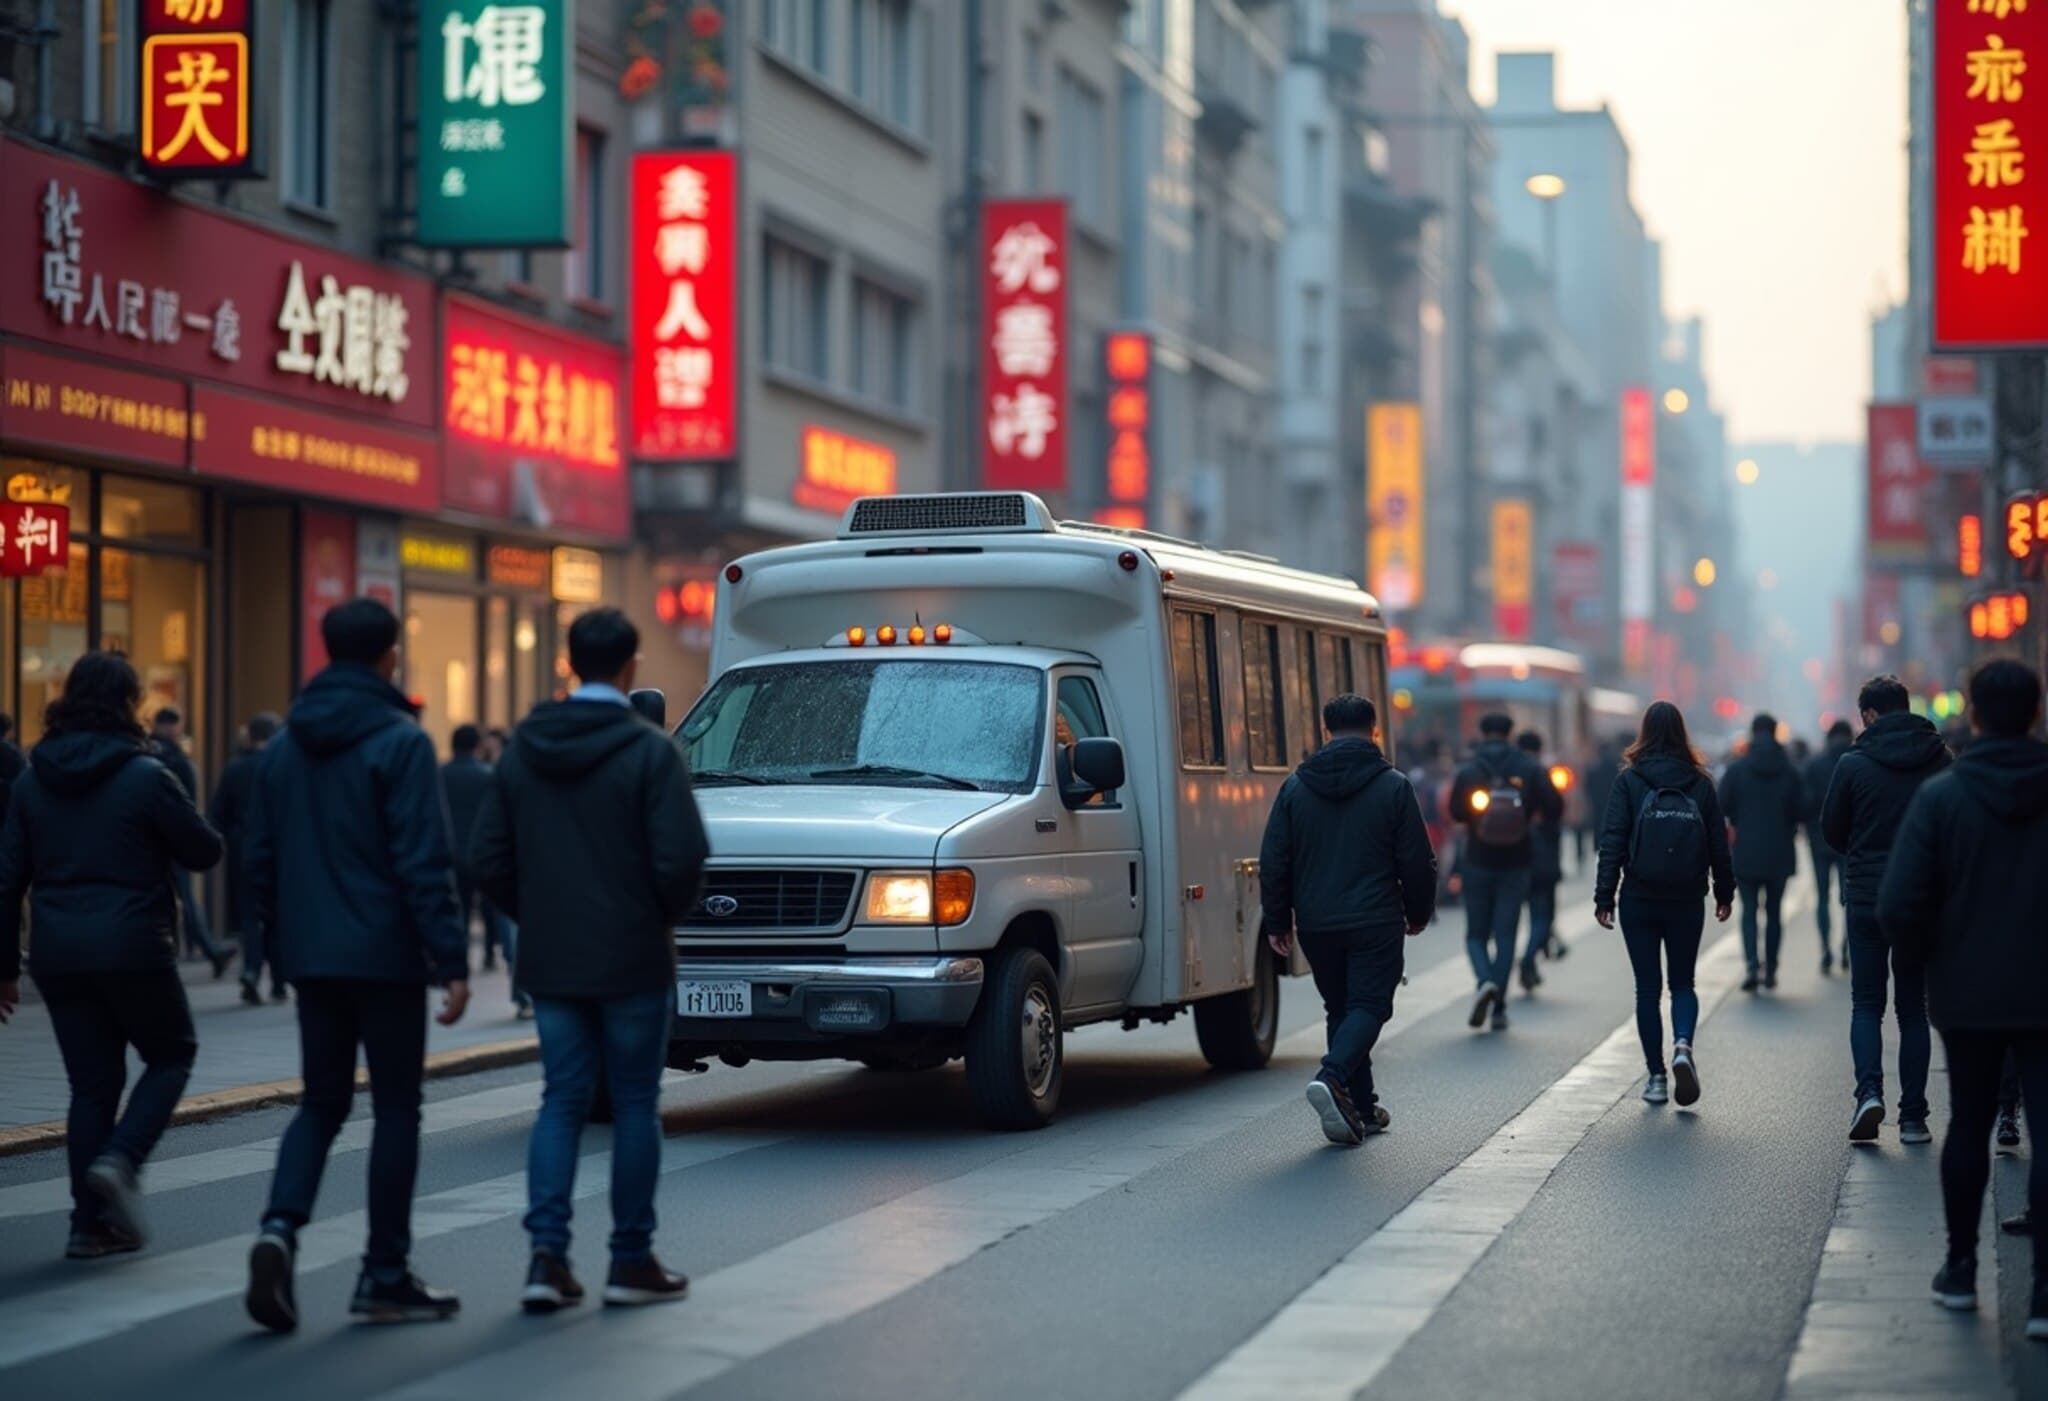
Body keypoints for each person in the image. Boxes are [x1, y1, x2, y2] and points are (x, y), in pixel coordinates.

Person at [242, 599, 470, 1333]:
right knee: (396, 1107)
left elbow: (258, 860)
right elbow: (422, 858)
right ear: (389, 657)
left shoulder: (283, 746)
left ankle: (279, 1226)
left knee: (321, 1102)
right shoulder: (399, 741)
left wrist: (278, 949)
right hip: (388, 957)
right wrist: (452, 956)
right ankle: (383, 1270)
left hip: (314, 959)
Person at [470, 608, 708, 1309]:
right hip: (634, 954)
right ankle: (630, 1260)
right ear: (631, 667)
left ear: (571, 664)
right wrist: (653, 916)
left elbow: (487, 856)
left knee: (562, 1099)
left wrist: (539, 915)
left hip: (553, 956)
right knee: (635, 1102)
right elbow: (684, 858)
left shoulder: (523, 748)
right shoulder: (649, 752)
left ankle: (546, 1257)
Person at [0, 652, 223, 1258]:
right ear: (129, 705)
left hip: (58, 955)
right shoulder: (146, 776)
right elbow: (203, 850)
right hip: (132, 946)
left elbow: (6, 879)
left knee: (91, 1088)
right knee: (173, 1054)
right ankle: (122, 1160)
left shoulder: (30, 778)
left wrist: (3, 969)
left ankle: (88, 1226)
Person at [1878, 659, 2048, 1337]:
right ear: (2035, 712)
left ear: (1974, 713)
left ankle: (1958, 1265)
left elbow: (1898, 903)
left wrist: (1926, 963)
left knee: (1969, 1125)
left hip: (1967, 993)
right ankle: (2043, 1293)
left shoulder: (1943, 797)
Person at [1260, 694, 1435, 1145]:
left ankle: (1362, 1107)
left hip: (1317, 923)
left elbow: (1275, 858)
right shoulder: (1393, 786)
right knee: (1370, 1006)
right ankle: (1332, 1076)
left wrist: (1278, 920)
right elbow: (1416, 860)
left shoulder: (1296, 787)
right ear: (1374, 731)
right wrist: (1417, 913)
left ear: (1324, 731)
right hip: (1374, 918)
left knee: (1341, 1008)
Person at [1821, 673, 1951, 1145]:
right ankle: (1914, 1117)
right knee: (1913, 1008)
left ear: (1871, 715)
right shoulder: (1940, 760)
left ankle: (1869, 1094)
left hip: (1868, 895)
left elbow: (1831, 829)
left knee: (1866, 1005)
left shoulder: (1853, 764)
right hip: (1919, 899)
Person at [1594, 702, 1734, 1107]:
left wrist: (1605, 895)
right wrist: (1725, 891)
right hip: (1687, 897)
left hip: (1639, 897)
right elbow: (1717, 844)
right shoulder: (1700, 783)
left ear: (1645, 731)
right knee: (1683, 983)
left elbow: (1613, 840)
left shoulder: (1630, 780)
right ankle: (1683, 1046)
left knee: (1647, 990)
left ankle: (1656, 1077)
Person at [1450, 714, 1560, 1030]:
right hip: (1517, 861)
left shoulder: (1470, 769)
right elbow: (1555, 807)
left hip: (1477, 859)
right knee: (1506, 933)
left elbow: (1456, 812)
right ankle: (1498, 1007)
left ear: (1482, 732)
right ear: (1511, 734)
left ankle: (1485, 980)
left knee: (1475, 934)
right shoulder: (1527, 767)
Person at [1717, 714, 1806, 992]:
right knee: (1774, 912)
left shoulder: (1737, 769)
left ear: (1753, 733)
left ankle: (1752, 965)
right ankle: (1772, 968)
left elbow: (1722, 805)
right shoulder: (1790, 770)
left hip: (1746, 851)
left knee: (1748, 911)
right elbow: (1801, 810)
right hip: (1779, 851)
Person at [149, 705, 232, 979]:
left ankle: (199, 948)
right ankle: (205, 948)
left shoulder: (146, 753)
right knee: (185, 897)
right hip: (171, 839)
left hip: (150, 840)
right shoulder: (174, 759)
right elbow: (188, 802)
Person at [211, 713, 284, 1005]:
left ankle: (252, 970)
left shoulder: (235, 768)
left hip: (243, 847)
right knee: (278, 916)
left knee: (250, 916)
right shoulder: (280, 766)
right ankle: (279, 981)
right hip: (278, 849)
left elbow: (218, 813)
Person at [441, 724, 515, 984]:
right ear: (476, 746)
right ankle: (488, 954)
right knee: (489, 907)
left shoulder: (441, 774)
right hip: (481, 851)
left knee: (457, 906)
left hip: (451, 852)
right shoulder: (487, 775)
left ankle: (458, 954)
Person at [1803, 719, 1854, 974]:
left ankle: (1825, 949)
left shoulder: (1814, 766)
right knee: (1848, 898)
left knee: (1822, 896)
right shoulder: (1858, 763)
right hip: (1849, 842)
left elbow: (1805, 803)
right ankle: (1846, 947)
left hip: (1819, 839)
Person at [1516, 730, 1563, 990]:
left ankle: (1529, 967)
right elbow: (1556, 807)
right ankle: (1527, 959)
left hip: (1509, 855)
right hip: (1541, 854)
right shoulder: (1538, 771)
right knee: (1542, 915)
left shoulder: (1506, 771)